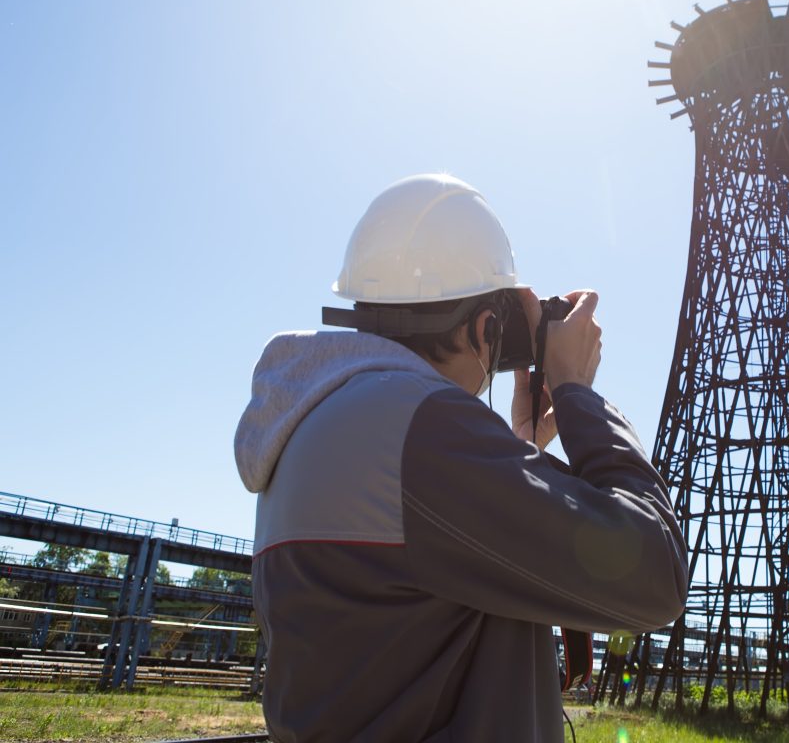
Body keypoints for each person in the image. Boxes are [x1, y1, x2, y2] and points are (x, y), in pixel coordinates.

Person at [234, 174, 687, 742]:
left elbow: (420, 617)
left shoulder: (308, 422)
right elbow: (655, 575)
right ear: (486, 327)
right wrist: (577, 394)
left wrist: (519, 452)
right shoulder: (421, 425)